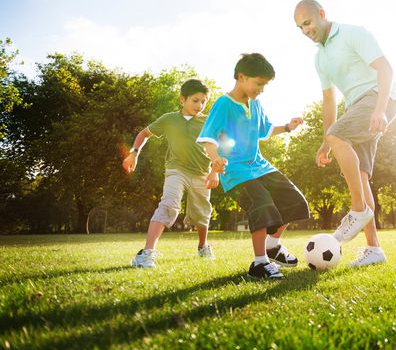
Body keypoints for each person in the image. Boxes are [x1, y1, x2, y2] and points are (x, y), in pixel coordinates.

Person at [293, 0, 396, 267]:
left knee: (339, 138)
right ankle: (374, 250)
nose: (305, 30)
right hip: (355, 108)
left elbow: (385, 68)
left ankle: (358, 210)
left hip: (376, 99)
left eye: (307, 23)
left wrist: (380, 109)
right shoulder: (320, 58)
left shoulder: (353, 33)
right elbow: (329, 101)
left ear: (321, 14)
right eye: (300, 27)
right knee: (361, 175)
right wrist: (326, 142)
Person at [196, 53, 310, 280]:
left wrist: (287, 127)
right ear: (241, 77)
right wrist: (215, 158)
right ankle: (259, 263)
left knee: (294, 200)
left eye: (264, 85)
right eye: (259, 83)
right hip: (236, 170)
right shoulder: (223, 104)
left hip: (260, 166)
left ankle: (273, 246)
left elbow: (264, 130)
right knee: (262, 203)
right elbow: (208, 137)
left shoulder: (256, 104)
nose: (262, 89)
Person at [123, 79, 218, 269]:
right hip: (176, 170)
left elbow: (216, 149)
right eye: (195, 100)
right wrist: (134, 153)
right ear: (182, 100)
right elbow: (144, 134)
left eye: (203, 102)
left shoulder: (208, 122)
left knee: (201, 214)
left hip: (202, 173)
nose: (199, 106)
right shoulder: (169, 119)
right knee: (169, 205)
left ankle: (202, 246)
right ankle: (146, 254)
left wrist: (215, 172)